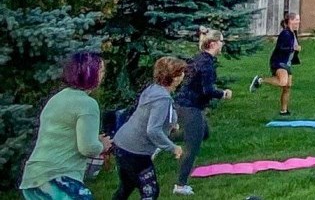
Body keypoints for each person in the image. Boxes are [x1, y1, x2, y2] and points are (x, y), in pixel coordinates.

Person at [18, 52, 110, 200]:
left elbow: (62, 133)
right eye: (101, 71)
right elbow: (87, 148)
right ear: (91, 73)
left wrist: (94, 138)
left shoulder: (56, 99)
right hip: (58, 177)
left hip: (32, 179)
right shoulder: (87, 103)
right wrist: (102, 145)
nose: (103, 75)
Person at [112, 56, 186, 200]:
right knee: (150, 192)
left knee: (126, 187)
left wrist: (171, 124)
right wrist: (173, 147)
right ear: (175, 77)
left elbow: (150, 116)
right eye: (181, 72)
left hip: (122, 144)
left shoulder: (153, 89)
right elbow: (153, 130)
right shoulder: (162, 99)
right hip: (135, 151)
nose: (183, 75)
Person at [172, 28, 234, 196]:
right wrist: (223, 94)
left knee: (204, 133)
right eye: (221, 41)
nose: (223, 44)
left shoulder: (200, 58)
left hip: (185, 104)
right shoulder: (206, 63)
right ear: (213, 43)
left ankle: (162, 138)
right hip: (189, 107)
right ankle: (180, 186)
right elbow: (207, 90)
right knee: (192, 147)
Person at [251, 12, 301, 116]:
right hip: (278, 61)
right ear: (290, 21)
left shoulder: (293, 33)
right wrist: (293, 48)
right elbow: (280, 48)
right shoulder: (285, 33)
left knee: (287, 86)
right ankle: (260, 80)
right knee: (283, 82)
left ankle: (284, 110)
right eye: (296, 20)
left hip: (287, 62)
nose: (298, 22)